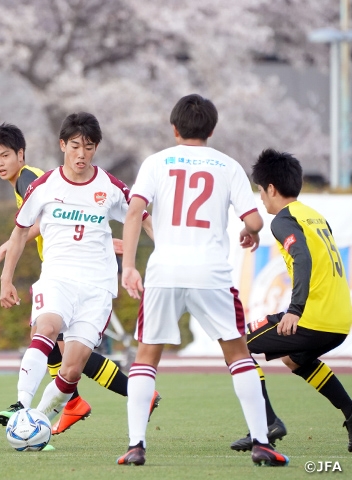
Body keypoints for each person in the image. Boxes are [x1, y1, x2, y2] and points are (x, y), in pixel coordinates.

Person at [118, 94, 289, 467]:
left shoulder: (155, 162)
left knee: (147, 357)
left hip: (164, 271)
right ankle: (262, 442)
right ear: (212, 129)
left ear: (174, 129)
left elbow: (134, 213)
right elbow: (256, 221)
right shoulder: (227, 166)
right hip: (211, 272)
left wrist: (128, 266)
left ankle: (135, 446)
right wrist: (249, 231)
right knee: (238, 354)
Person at [0, 123, 160, 436]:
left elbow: (133, 214)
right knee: (48, 332)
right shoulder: (41, 183)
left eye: (5, 155)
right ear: (62, 145)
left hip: (95, 283)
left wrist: (2, 252)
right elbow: (30, 225)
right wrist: (6, 270)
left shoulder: (29, 178)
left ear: (20, 155)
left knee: (75, 361)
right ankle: (26, 408)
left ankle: (129, 394)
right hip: (58, 276)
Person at [229, 149, 352, 453]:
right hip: (340, 320)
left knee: (237, 347)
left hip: (313, 318)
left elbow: (302, 257)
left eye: (260, 190)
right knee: (295, 359)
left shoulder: (283, 221)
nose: (260, 198)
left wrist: (294, 310)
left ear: (271, 188)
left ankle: (266, 423)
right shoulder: (315, 216)